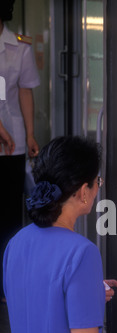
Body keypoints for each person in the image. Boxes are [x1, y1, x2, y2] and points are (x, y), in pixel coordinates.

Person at [3, 136, 117, 333]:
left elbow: (37, 299)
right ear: (84, 191)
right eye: (97, 181)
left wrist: (89, 294)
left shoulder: (16, 244)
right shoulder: (81, 252)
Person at [0, 0, 40, 302]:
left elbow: (24, 91)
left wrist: (29, 133)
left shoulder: (19, 48)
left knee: (9, 218)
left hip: (10, 147)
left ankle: (6, 286)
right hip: (5, 136)